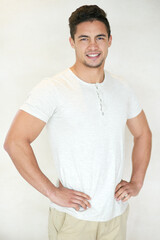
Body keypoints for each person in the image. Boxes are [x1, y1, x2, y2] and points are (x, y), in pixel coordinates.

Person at [4, 5, 152, 240]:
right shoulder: (53, 88)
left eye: (99, 38)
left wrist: (137, 182)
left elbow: (143, 134)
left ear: (110, 40)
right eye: (84, 38)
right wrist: (52, 192)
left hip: (115, 216)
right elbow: (15, 142)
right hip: (74, 218)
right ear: (72, 42)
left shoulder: (122, 88)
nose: (93, 46)